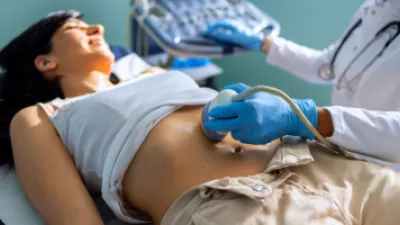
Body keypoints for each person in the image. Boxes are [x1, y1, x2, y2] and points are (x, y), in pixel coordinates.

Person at [1, 9, 400, 225]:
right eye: (76, 26)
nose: (97, 25)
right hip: (239, 205)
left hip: (323, 164)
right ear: (45, 61)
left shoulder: (152, 72)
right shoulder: (42, 117)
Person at [203, 0, 400, 166]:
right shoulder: (378, 6)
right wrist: (265, 44)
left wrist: (306, 117)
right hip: (337, 152)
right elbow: (327, 66)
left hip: (386, 176)